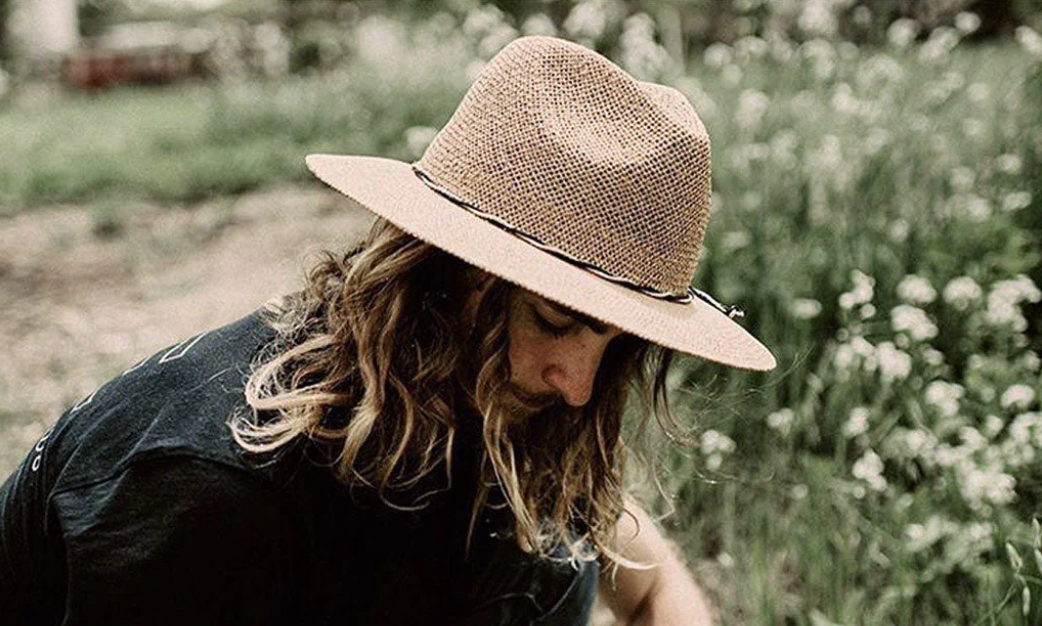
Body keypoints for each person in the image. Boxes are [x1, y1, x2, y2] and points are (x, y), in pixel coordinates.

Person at [0, 36, 775, 625]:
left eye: (617, 347)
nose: (577, 387)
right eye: (555, 320)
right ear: (450, 281)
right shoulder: (216, 492)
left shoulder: (504, 411)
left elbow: (651, 585)